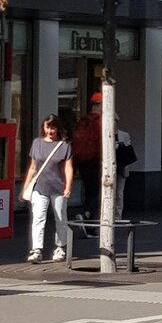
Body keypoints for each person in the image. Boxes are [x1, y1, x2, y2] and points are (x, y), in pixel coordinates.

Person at [19, 114, 74, 264]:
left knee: (61, 219)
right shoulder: (37, 143)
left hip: (58, 187)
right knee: (38, 218)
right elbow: (33, 167)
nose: (50, 131)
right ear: (43, 127)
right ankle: (37, 250)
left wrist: (68, 186)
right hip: (40, 187)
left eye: (53, 127)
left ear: (58, 129)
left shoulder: (64, 146)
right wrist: (25, 188)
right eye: (47, 127)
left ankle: (60, 247)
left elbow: (68, 168)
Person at [71, 93, 103, 229]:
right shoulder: (100, 122)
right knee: (97, 192)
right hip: (95, 160)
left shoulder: (83, 120)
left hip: (81, 161)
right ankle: (88, 217)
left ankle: (87, 216)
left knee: (89, 190)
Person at [115, 124, 135, 222]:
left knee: (119, 192)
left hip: (121, 167)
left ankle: (118, 216)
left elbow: (129, 152)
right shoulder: (103, 133)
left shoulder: (124, 135)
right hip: (109, 167)